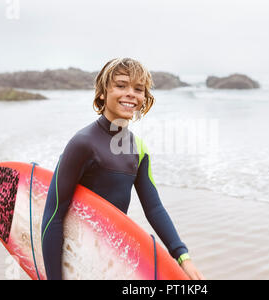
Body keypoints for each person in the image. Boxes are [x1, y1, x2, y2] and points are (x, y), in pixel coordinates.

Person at [41, 57, 205, 280]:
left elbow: (154, 208)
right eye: (120, 85)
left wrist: (182, 257)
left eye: (138, 89)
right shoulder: (82, 144)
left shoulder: (139, 149)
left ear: (144, 98)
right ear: (102, 93)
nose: (131, 94)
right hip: (76, 256)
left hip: (111, 259)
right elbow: (53, 215)